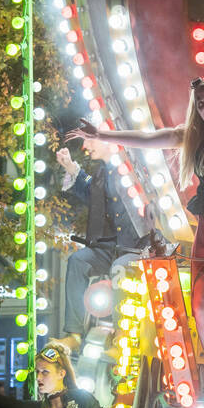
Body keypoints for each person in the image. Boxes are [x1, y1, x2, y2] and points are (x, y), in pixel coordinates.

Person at [69, 73, 204, 398]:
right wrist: (103, 135)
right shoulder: (191, 135)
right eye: (202, 102)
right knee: (203, 305)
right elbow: (149, 138)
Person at [55, 134, 147, 345]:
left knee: (119, 266)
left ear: (107, 138)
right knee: (77, 261)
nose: (85, 146)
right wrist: (70, 166)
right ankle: (74, 334)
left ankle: (120, 336)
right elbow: (90, 190)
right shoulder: (102, 172)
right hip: (111, 246)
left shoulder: (131, 166)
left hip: (137, 248)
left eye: (89, 139)